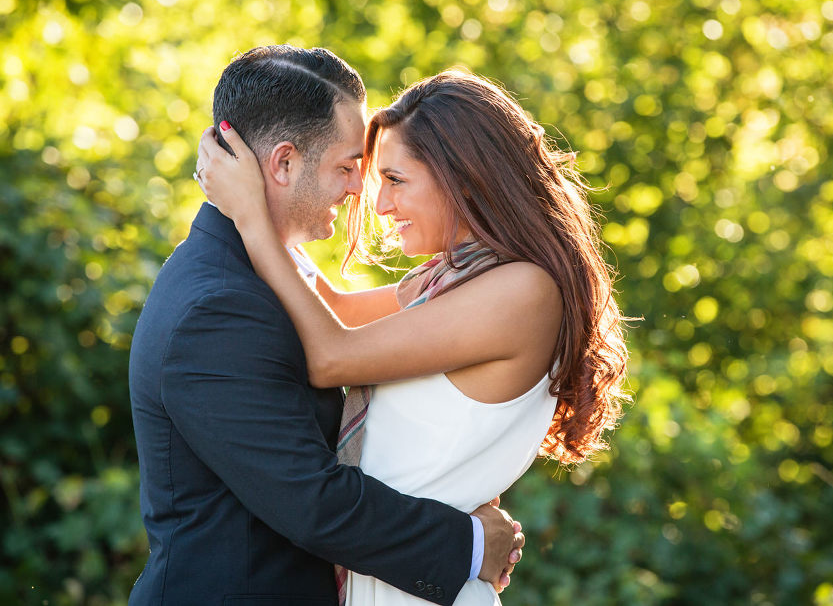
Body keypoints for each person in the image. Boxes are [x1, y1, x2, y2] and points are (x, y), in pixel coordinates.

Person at [196, 68, 630, 605]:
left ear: (466, 176)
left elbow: (331, 356)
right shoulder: (452, 277)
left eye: (395, 181)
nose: (379, 205)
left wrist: (252, 217)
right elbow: (334, 311)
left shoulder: (522, 292)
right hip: (392, 580)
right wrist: (269, 194)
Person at [128, 46, 524, 606]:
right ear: (285, 163)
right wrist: (470, 542)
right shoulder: (216, 308)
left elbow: (346, 316)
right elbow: (311, 501)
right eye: (346, 167)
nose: (360, 190)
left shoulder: (260, 271)